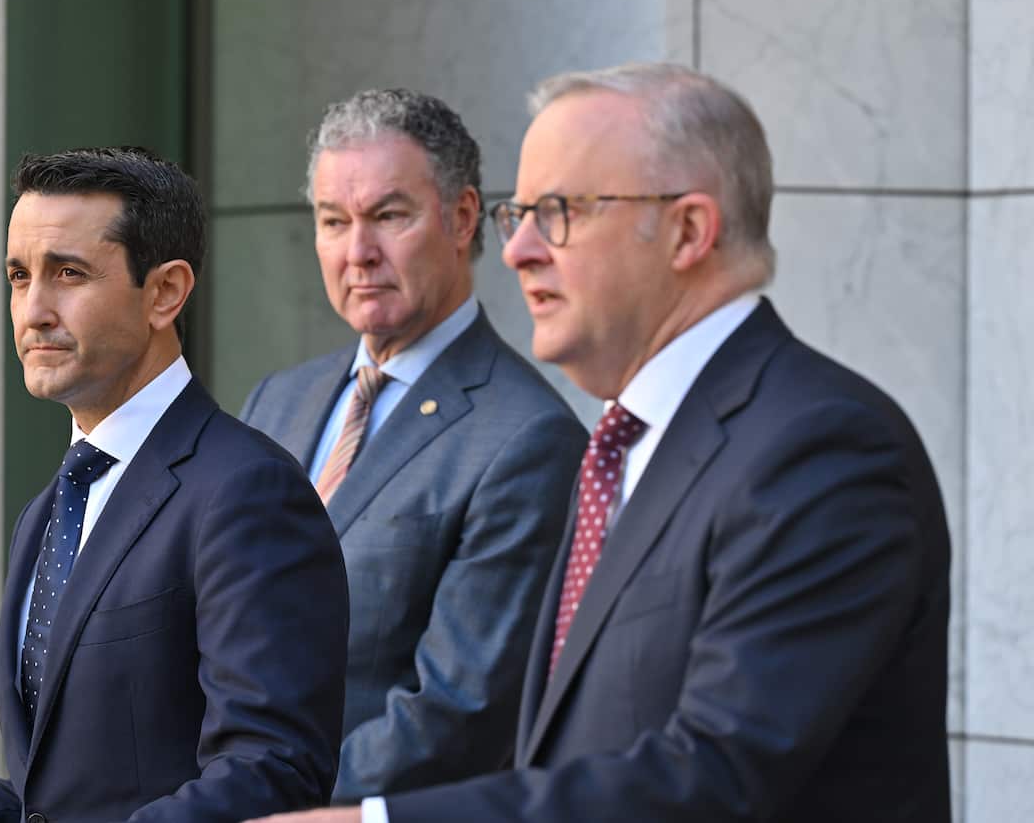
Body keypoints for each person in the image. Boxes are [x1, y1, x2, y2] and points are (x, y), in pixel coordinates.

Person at [248, 63, 951, 823]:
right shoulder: (623, 444)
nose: (516, 250)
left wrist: (373, 820)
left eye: (560, 211)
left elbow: (716, 773)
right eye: (520, 212)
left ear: (687, 230)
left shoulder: (821, 448)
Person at [0, 147, 349, 823]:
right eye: (18, 276)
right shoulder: (50, 509)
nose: (34, 309)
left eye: (68, 273)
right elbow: (48, 792)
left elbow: (271, 772)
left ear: (165, 292)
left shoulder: (248, 492)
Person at [240, 89, 586, 801]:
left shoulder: (528, 439)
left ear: (462, 219)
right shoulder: (276, 401)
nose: (358, 252)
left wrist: (260, 804)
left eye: (388, 216)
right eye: (333, 221)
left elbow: (457, 713)